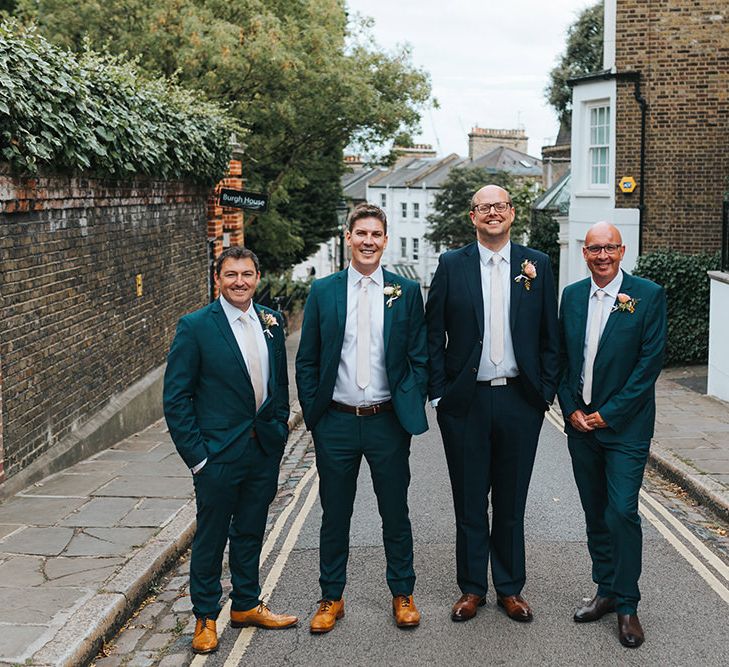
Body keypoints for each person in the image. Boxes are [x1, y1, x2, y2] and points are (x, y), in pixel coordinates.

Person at [426, 184, 560, 623]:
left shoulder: (536, 264)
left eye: (499, 206)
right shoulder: (451, 265)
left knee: (510, 500)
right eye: (484, 208)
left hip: (521, 400)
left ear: (512, 212)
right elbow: (432, 334)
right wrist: (440, 391)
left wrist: (544, 393)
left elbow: (549, 335)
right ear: (473, 217)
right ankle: (471, 589)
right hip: (465, 402)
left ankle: (509, 588)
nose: (492, 213)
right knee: (469, 500)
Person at [296, 203, 428, 633]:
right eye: (361, 233)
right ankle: (331, 597)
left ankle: (402, 593)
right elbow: (308, 360)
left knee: (395, 512)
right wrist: (314, 415)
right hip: (335, 420)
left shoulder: (406, 293)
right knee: (335, 514)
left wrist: (411, 399)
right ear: (348, 238)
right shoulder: (324, 291)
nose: (369, 241)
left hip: (388, 421)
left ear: (385, 241)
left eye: (376, 234)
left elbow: (418, 356)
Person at [163, 246, 297, 655]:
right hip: (217, 455)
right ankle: (205, 616)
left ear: (258, 277)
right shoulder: (196, 327)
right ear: (217, 279)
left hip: (262, 450)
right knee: (211, 536)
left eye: (247, 274)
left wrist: (277, 432)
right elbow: (176, 398)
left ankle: (246, 603)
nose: (240, 281)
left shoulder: (271, 322)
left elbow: (278, 385)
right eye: (231, 274)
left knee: (251, 529)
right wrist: (199, 458)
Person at [557, 222, 666, 648]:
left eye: (610, 248)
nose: (602, 256)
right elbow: (564, 360)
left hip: (625, 429)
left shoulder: (647, 295)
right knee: (595, 512)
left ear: (622, 252)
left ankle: (627, 605)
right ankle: (604, 589)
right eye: (594, 249)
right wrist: (571, 410)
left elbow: (648, 366)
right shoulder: (571, 296)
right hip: (580, 427)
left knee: (621, 511)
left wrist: (607, 414)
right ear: (584, 253)